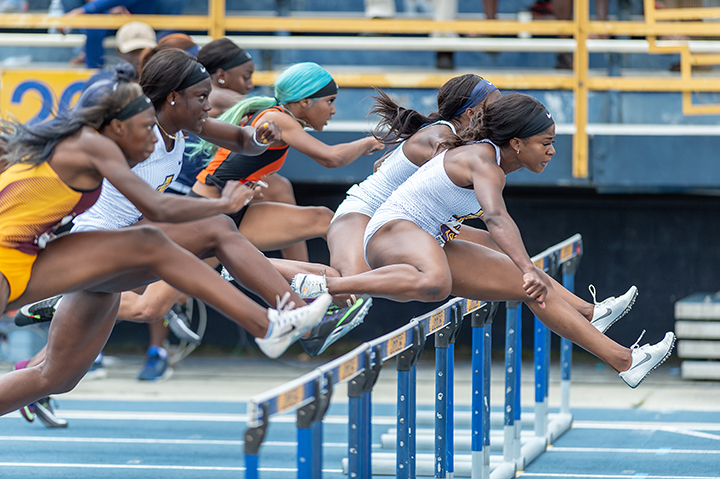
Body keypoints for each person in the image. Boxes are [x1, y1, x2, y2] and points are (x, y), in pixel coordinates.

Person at [0, 57, 367, 420]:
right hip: (85, 245)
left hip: (62, 256)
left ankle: (284, 319)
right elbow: (158, 209)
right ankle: (276, 321)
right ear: (118, 125)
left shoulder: (167, 127)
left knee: (58, 377)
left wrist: (257, 137)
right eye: (145, 129)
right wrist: (221, 204)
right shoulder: (97, 145)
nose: (150, 141)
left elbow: (242, 139)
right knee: (205, 232)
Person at [288, 93, 675, 388]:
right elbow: (496, 218)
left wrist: (529, 276)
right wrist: (528, 267)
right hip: (391, 230)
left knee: (532, 292)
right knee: (439, 282)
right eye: (546, 142)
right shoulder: (483, 162)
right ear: (518, 143)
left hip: (430, 237)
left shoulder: (491, 160)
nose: (553, 151)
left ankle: (625, 361)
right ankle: (329, 284)